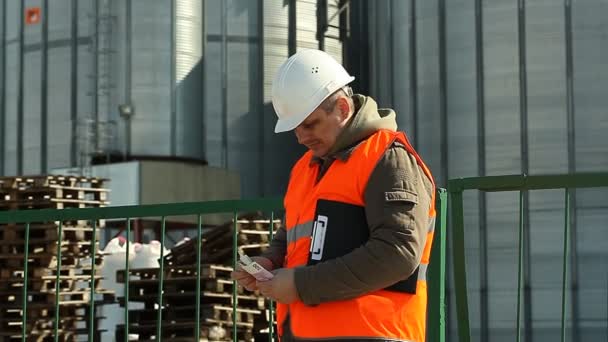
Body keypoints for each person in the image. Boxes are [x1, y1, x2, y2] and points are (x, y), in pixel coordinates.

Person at [231, 49, 436, 342]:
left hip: (374, 335)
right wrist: (269, 262)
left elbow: (397, 254)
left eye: (309, 124)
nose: (301, 137)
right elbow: (290, 238)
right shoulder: (306, 168)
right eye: (295, 128)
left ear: (341, 107)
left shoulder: (388, 158)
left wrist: (301, 284)